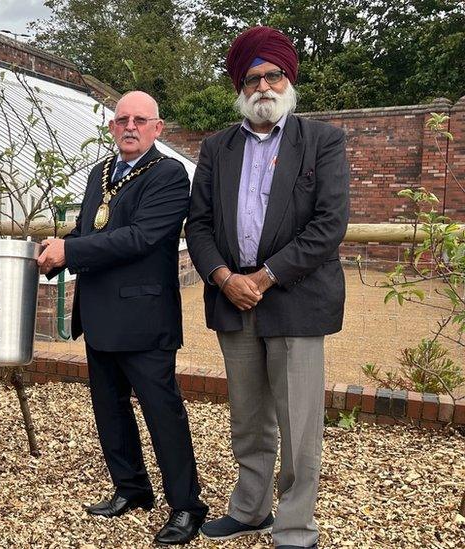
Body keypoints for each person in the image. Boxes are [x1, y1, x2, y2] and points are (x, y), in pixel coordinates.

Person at [184, 26, 350, 549]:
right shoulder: (217, 148)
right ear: (240, 86)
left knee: (299, 426)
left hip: (295, 297)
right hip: (233, 298)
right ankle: (250, 509)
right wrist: (223, 277)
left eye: (272, 75)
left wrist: (265, 276)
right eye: (252, 78)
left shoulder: (321, 141)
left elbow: (329, 224)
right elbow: (200, 224)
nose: (263, 86)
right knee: (249, 418)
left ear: (288, 78)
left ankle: (296, 525)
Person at [37, 91, 208, 545]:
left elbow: (141, 237)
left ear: (158, 128)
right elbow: (91, 228)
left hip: (145, 319)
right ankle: (131, 490)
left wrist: (70, 250)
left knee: (162, 414)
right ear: (112, 127)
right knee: (109, 411)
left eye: (139, 120)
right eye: (121, 120)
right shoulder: (101, 172)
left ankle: (187, 507)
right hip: (98, 314)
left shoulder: (170, 176)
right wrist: (58, 253)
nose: (129, 127)